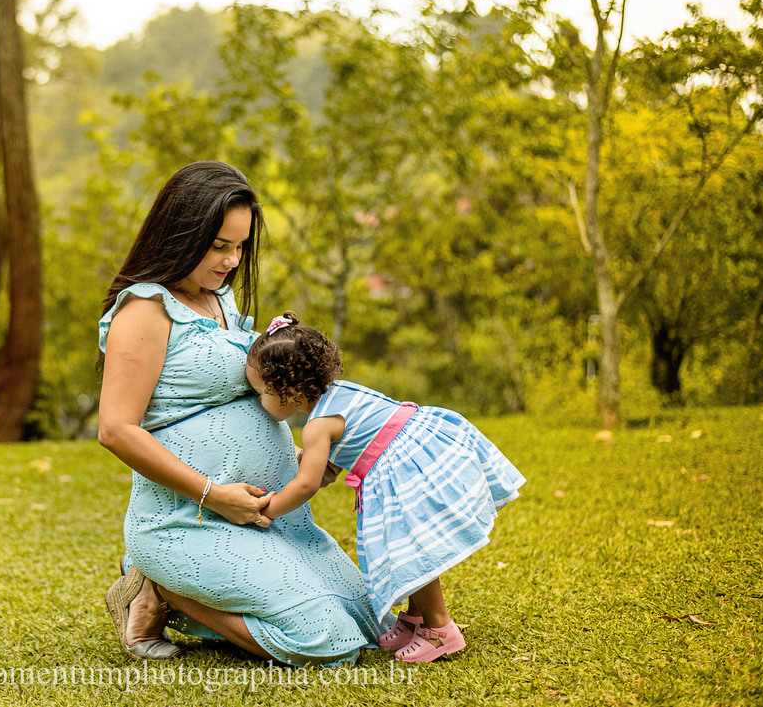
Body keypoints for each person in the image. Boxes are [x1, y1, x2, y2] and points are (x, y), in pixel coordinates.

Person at [98, 161, 381, 667]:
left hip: (270, 519)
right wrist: (215, 494)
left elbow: (241, 399)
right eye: (219, 246)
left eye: (240, 246)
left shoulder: (219, 299)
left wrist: (300, 456)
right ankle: (159, 587)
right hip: (189, 518)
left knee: (368, 622)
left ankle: (171, 589)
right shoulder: (144, 312)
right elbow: (116, 430)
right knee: (327, 645)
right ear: (180, 235)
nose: (232, 260)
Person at [245, 311, 526, 663]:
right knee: (407, 548)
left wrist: (266, 511)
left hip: (400, 469)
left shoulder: (316, 426)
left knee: (410, 550)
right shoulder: (340, 393)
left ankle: (440, 631)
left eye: (260, 392)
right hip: (419, 446)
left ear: (287, 390)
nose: (258, 401)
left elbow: (306, 484)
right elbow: (346, 450)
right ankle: (417, 618)